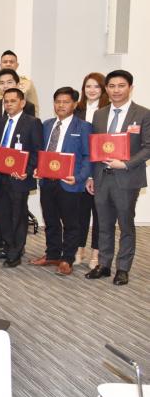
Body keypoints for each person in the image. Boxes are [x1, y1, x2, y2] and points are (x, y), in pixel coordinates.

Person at [85, 69, 150, 286]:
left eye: (121, 86)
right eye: (112, 86)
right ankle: (104, 264)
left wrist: (126, 163)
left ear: (130, 88)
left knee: (125, 224)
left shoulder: (143, 114)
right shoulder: (99, 114)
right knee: (103, 224)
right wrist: (91, 176)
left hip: (127, 177)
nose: (116, 90)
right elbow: (95, 147)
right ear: (106, 89)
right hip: (101, 177)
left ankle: (123, 268)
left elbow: (148, 147)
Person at [31, 87, 92, 276]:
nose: (61, 105)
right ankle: (52, 254)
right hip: (47, 181)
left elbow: (88, 156)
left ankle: (67, 259)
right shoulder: (47, 124)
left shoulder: (83, 127)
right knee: (50, 220)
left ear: (74, 104)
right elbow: (41, 152)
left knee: (71, 223)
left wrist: (79, 178)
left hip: (69, 182)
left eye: (66, 102)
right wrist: (38, 168)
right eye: (58, 102)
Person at [0, 88, 42, 268]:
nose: (9, 104)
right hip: (1, 176)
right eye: (6, 101)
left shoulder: (32, 123)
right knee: (3, 214)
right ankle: (7, 246)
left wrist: (27, 171)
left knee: (18, 216)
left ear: (22, 103)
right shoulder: (1, 121)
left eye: (13, 101)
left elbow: (37, 151)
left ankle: (16, 251)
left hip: (19, 177)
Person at [74, 72, 108, 267]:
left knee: (99, 215)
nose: (92, 90)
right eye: (88, 86)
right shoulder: (77, 110)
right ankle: (79, 250)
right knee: (80, 213)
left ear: (103, 89)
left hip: (101, 169)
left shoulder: (107, 111)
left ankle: (96, 253)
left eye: (96, 86)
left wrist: (93, 175)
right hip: (80, 170)